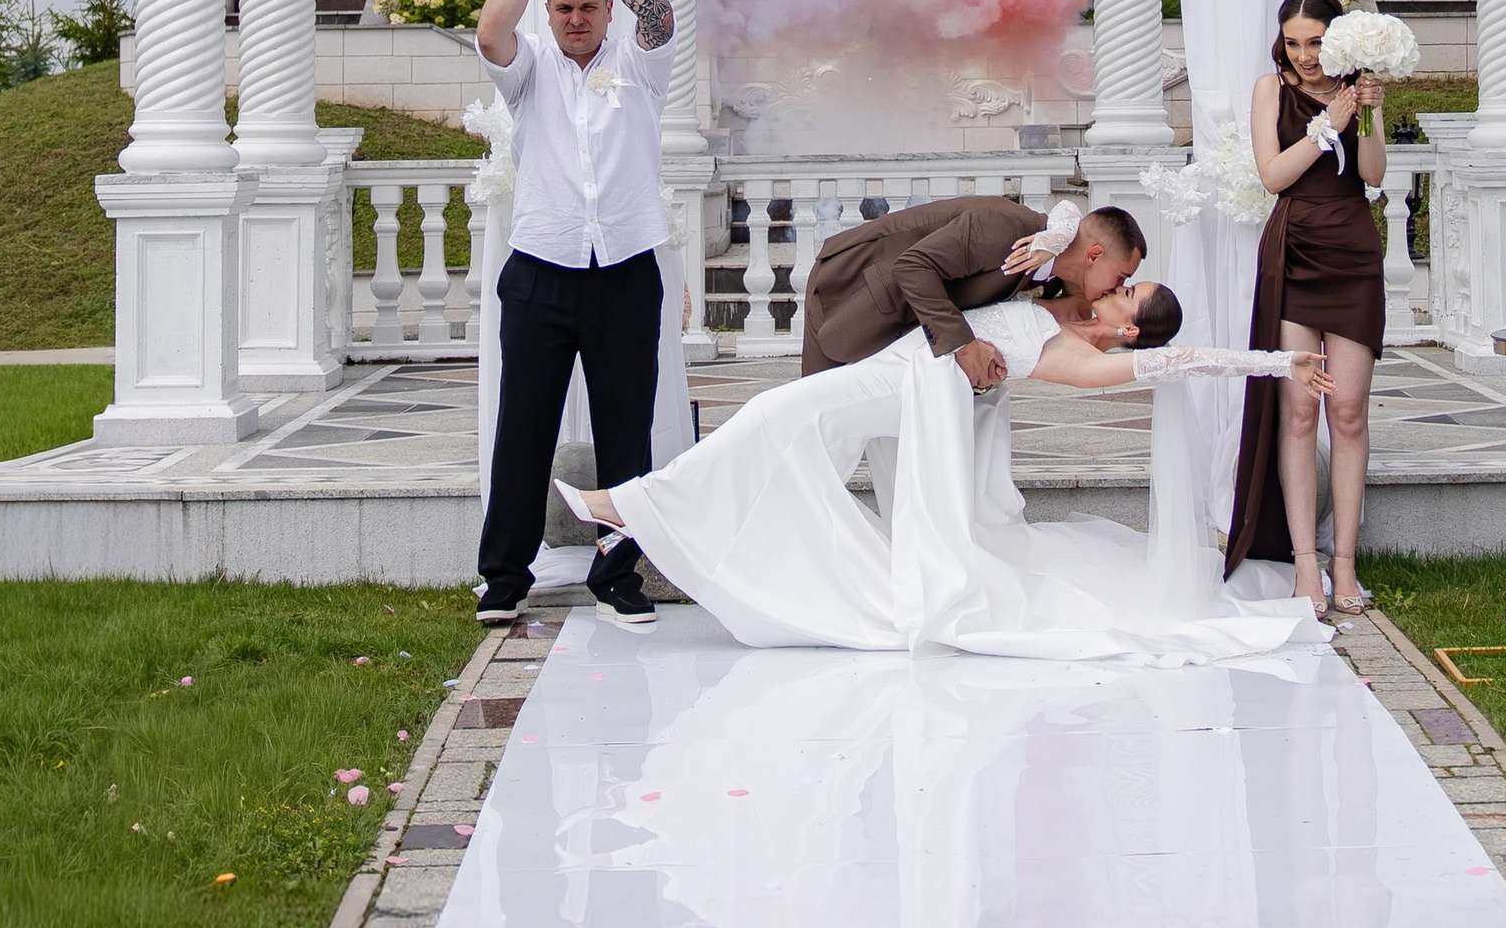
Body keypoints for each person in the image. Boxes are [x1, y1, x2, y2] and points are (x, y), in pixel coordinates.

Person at [567, 266, 1327, 662]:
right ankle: (646, 515)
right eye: (1128, 280)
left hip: (896, 389)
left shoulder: (1081, 360)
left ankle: (626, 507)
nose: (1119, 288)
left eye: (1131, 294)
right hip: (894, 365)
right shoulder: (1061, 306)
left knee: (770, 418)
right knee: (775, 434)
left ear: (1131, 331)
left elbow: (1185, 363)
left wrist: (1273, 361)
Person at [471, 0, 674, 629]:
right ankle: (503, 577)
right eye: (564, 8)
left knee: (629, 430)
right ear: (549, 14)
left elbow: (658, 11)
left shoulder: (640, 68)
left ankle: (618, 574)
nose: (577, 18)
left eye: (589, 7)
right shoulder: (527, 73)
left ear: (605, 10)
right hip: (541, 273)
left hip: (624, 272)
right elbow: (492, 30)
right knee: (524, 424)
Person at [1225, 0, 1387, 616]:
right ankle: (1304, 569)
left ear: (1338, 39)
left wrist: (1366, 113)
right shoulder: (1272, 89)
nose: (1304, 56)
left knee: (1346, 412)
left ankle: (1344, 565)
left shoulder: (1360, 90)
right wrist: (1329, 126)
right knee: (1297, 411)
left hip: (1351, 249)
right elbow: (1272, 175)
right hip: (1293, 250)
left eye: (1316, 42)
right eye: (1293, 43)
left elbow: (1372, 175)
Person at [800, 191, 1145, 388]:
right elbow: (913, 266)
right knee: (812, 427)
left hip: (900, 333)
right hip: (849, 291)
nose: (1120, 286)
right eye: (1122, 277)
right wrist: (964, 347)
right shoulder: (1006, 227)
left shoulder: (1051, 274)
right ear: (1094, 255)